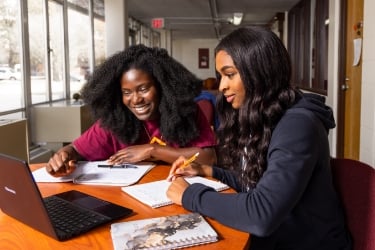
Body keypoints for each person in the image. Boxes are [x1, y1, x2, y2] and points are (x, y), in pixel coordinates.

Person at [166, 27, 352, 250]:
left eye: (230, 74)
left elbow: (261, 215)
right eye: (220, 76)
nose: (222, 86)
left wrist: (189, 195)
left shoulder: (297, 125)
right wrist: (209, 171)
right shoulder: (267, 114)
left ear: (259, 72)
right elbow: (256, 185)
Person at [46, 44, 216, 177]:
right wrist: (63, 156)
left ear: (162, 86)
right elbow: (76, 149)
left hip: (179, 193)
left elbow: (210, 157)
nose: (135, 99)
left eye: (143, 89)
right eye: (127, 92)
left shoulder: (186, 112)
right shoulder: (115, 120)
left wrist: (152, 150)